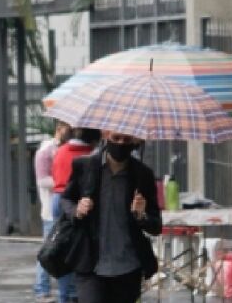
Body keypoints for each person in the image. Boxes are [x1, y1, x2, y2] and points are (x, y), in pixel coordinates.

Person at [60, 131, 161, 303]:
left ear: (134, 141)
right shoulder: (85, 166)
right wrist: (77, 209)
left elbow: (156, 226)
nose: (121, 143)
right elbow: (66, 199)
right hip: (90, 264)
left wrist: (141, 214)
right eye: (116, 138)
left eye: (126, 139)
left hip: (128, 267)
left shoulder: (142, 175)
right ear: (106, 136)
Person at [50, 127, 102, 303]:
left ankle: (65, 295)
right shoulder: (91, 157)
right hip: (79, 203)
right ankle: (73, 294)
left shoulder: (61, 151)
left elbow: (55, 175)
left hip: (58, 198)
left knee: (59, 247)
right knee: (79, 248)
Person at [33, 121, 71, 302]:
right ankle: (41, 288)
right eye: (67, 128)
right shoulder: (46, 151)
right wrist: (62, 182)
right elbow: (42, 180)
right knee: (49, 251)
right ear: (59, 128)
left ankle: (56, 289)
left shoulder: (66, 149)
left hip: (62, 207)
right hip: (50, 210)